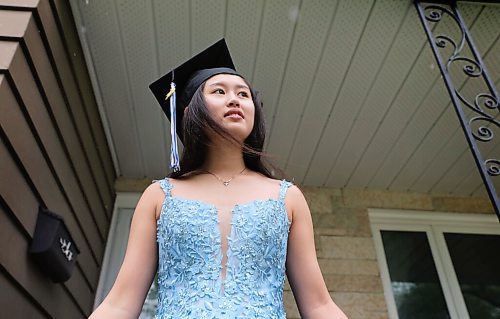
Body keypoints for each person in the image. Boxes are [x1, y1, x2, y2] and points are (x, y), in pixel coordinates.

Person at [89, 39, 347, 319]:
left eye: (244, 94)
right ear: (190, 111)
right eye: (220, 91)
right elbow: (120, 303)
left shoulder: (287, 198)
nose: (234, 99)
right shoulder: (160, 196)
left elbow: (319, 305)